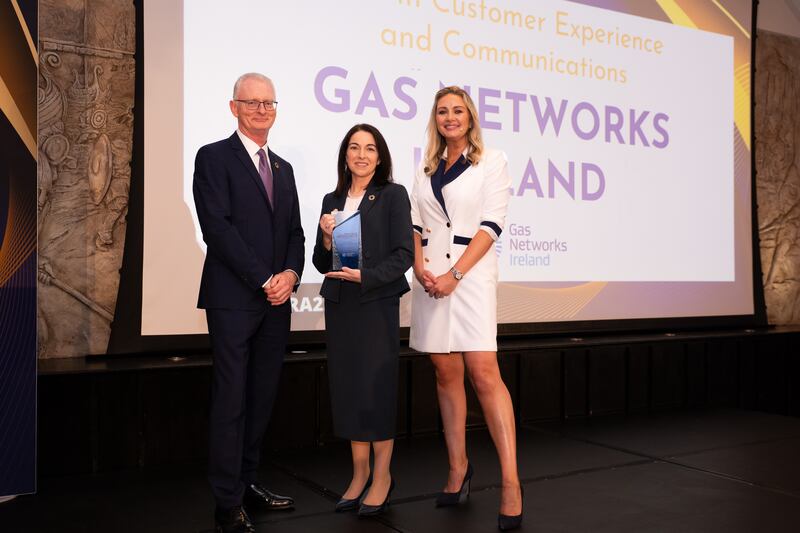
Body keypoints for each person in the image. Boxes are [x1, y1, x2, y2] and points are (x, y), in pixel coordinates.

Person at [193, 72, 305, 533]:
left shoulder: (283, 168)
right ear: (234, 107)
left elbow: (295, 233)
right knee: (232, 401)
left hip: (276, 303)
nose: (262, 110)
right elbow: (216, 228)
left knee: (260, 399)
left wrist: (291, 276)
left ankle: (248, 482)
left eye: (269, 103)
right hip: (233, 300)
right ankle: (226, 502)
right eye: (252, 102)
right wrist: (264, 278)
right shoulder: (213, 157)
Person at [409, 86, 523, 531]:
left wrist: (455, 275)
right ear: (435, 119)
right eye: (443, 111)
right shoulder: (425, 167)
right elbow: (416, 223)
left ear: (471, 117)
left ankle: (511, 483)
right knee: (444, 371)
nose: (450, 117)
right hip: (430, 278)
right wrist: (420, 267)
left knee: (483, 372)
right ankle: (458, 469)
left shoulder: (492, 161)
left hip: (470, 275)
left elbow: (492, 224)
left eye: (458, 110)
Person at [312, 124, 413, 517]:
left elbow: (403, 254)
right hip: (341, 305)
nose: (361, 155)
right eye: (354, 147)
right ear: (345, 155)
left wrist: (366, 276)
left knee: (376, 389)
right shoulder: (332, 199)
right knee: (349, 389)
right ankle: (359, 474)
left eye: (370, 148)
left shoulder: (392, 195)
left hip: (375, 303)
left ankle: (383, 476)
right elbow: (321, 261)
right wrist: (326, 238)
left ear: (380, 156)